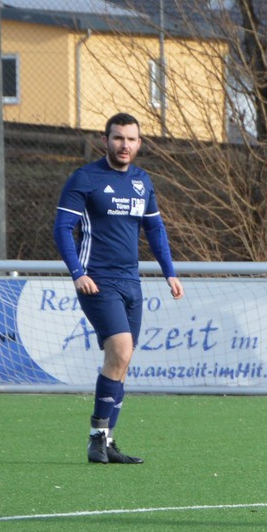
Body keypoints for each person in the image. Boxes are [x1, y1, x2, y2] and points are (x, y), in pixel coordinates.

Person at [53, 112, 183, 464]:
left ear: (139, 143)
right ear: (105, 140)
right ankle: (96, 438)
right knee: (121, 352)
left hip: (130, 282)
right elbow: (62, 228)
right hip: (97, 280)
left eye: (131, 139)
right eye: (118, 138)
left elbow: (155, 230)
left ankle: (107, 441)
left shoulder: (142, 181)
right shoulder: (85, 178)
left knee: (120, 363)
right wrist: (77, 273)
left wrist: (169, 273)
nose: (125, 145)